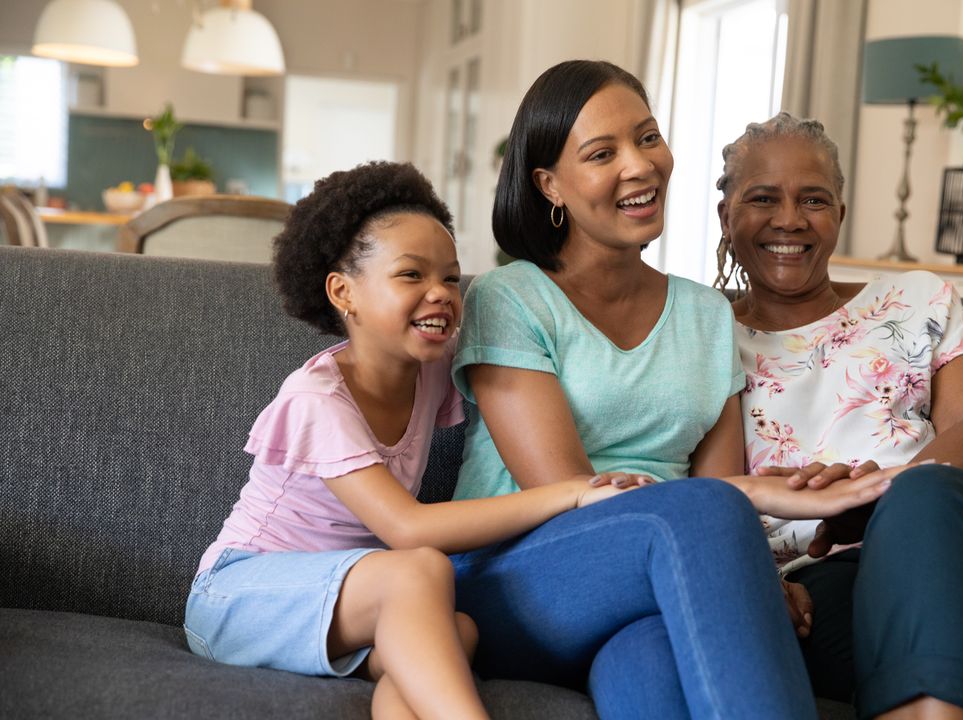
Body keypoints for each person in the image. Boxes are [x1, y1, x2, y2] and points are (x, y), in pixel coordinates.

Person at [448, 60, 909, 720]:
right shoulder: (510, 298)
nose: (640, 167)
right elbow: (577, 498)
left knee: (649, 666)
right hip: (518, 579)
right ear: (549, 185)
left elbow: (718, 491)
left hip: (654, 584)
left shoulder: (705, 314)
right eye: (603, 153)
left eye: (647, 137)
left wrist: (736, 573)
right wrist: (732, 539)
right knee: (706, 513)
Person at [183, 161, 641, 720]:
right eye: (410, 275)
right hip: (238, 597)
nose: (440, 294)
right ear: (343, 292)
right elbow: (407, 529)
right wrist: (571, 491)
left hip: (349, 604)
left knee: (458, 629)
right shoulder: (317, 400)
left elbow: (544, 364)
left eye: (450, 277)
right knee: (422, 569)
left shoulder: (429, 368)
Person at [714, 112, 963, 719]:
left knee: (924, 494)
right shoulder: (702, 338)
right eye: (762, 198)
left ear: (840, 216)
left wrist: (877, 497)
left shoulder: (915, 297)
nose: (789, 219)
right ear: (727, 216)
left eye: (814, 199)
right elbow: (717, 496)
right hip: (829, 575)